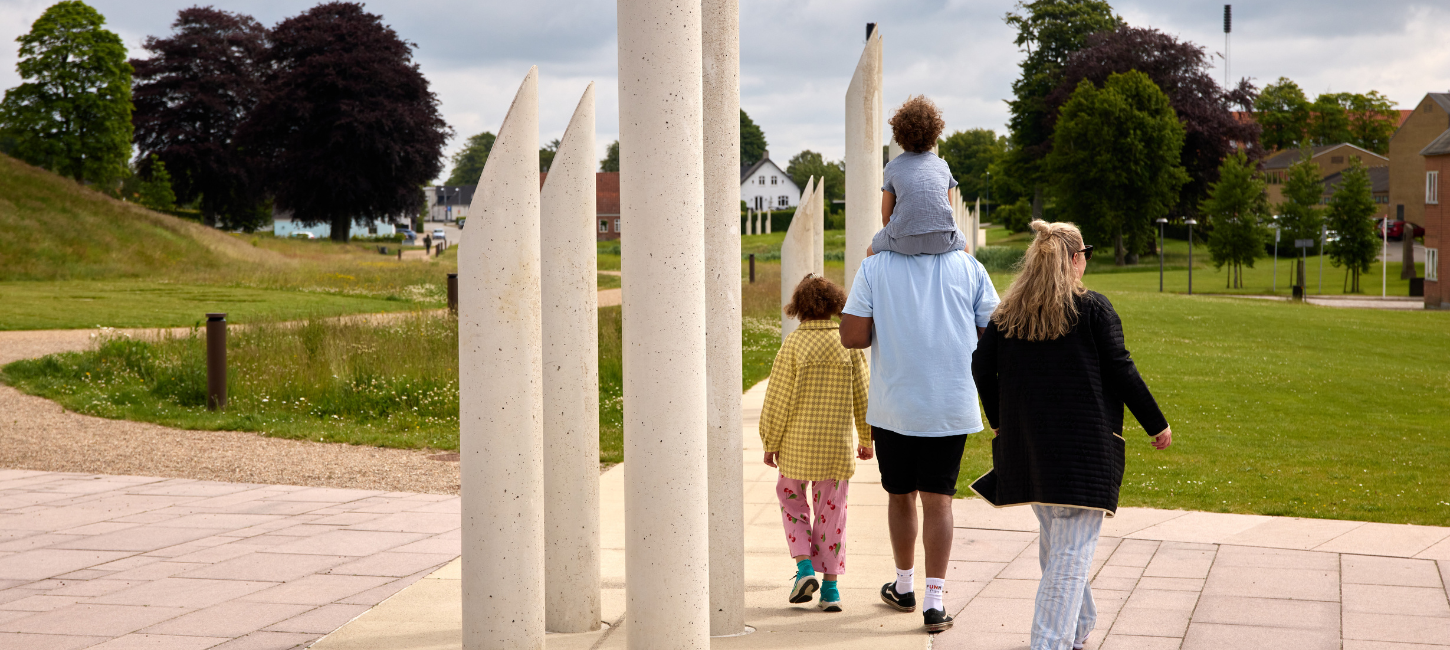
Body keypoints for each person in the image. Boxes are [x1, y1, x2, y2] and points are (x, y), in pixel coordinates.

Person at [970, 220, 1172, 650]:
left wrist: (999, 420)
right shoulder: (1093, 308)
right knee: (1068, 554)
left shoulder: (1008, 314)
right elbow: (1122, 369)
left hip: (1028, 450)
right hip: (1083, 454)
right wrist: (1157, 423)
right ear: (1076, 260)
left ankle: (1079, 627)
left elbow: (981, 368)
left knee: (1058, 544)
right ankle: (1050, 644)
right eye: (1087, 255)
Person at [840, 225, 1000, 632]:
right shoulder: (969, 266)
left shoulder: (874, 266)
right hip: (949, 403)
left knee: (900, 496)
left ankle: (904, 585)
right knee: (939, 500)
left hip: (895, 404)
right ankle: (934, 601)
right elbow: (994, 335)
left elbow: (853, 336)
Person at [760, 274, 871, 612]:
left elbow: (777, 398)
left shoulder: (793, 345)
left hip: (796, 448)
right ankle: (831, 590)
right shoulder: (846, 344)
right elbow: (864, 394)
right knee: (832, 516)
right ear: (835, 305)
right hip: (835, 450)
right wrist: (866, 438)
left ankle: (804, 568)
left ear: (800, 308)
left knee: (791, 500)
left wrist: (770, 440)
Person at [867, 95, 966, 257]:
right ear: (935, 132)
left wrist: (896, 237)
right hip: (941, 240)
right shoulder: (942, 166)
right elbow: (948, 208)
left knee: (869, 251)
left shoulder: (892, 167)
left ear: (899, 133)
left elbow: (886, 215)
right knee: (966, 249)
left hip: (905, 242)